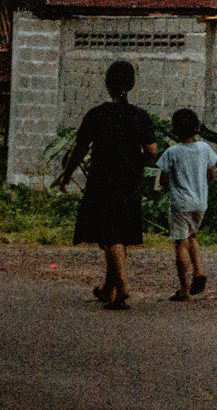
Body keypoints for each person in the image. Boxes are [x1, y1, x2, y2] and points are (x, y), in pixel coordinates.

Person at [57, 60, 156, 310]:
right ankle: (107, 288)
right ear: (131, 85)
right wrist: (136, 163)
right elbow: (152, 150)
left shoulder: (97, 114)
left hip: (102, 180)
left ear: (107, 84)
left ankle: (122, 286)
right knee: (120, 233)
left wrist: (66, 175)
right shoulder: (139, 116)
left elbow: (79, 149)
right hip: (130, 181)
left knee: (110, 233)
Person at [156, 107, 217, 302]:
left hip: (180, 204)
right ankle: (198, 272)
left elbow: (164, 181)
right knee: (191, 236)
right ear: (196, 128)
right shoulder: (205, 148)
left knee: (180, 244)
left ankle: (184, 289)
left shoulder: (171, 152)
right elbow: (211, 174)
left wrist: (173, 186)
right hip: (200, 203)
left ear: (175, 130)